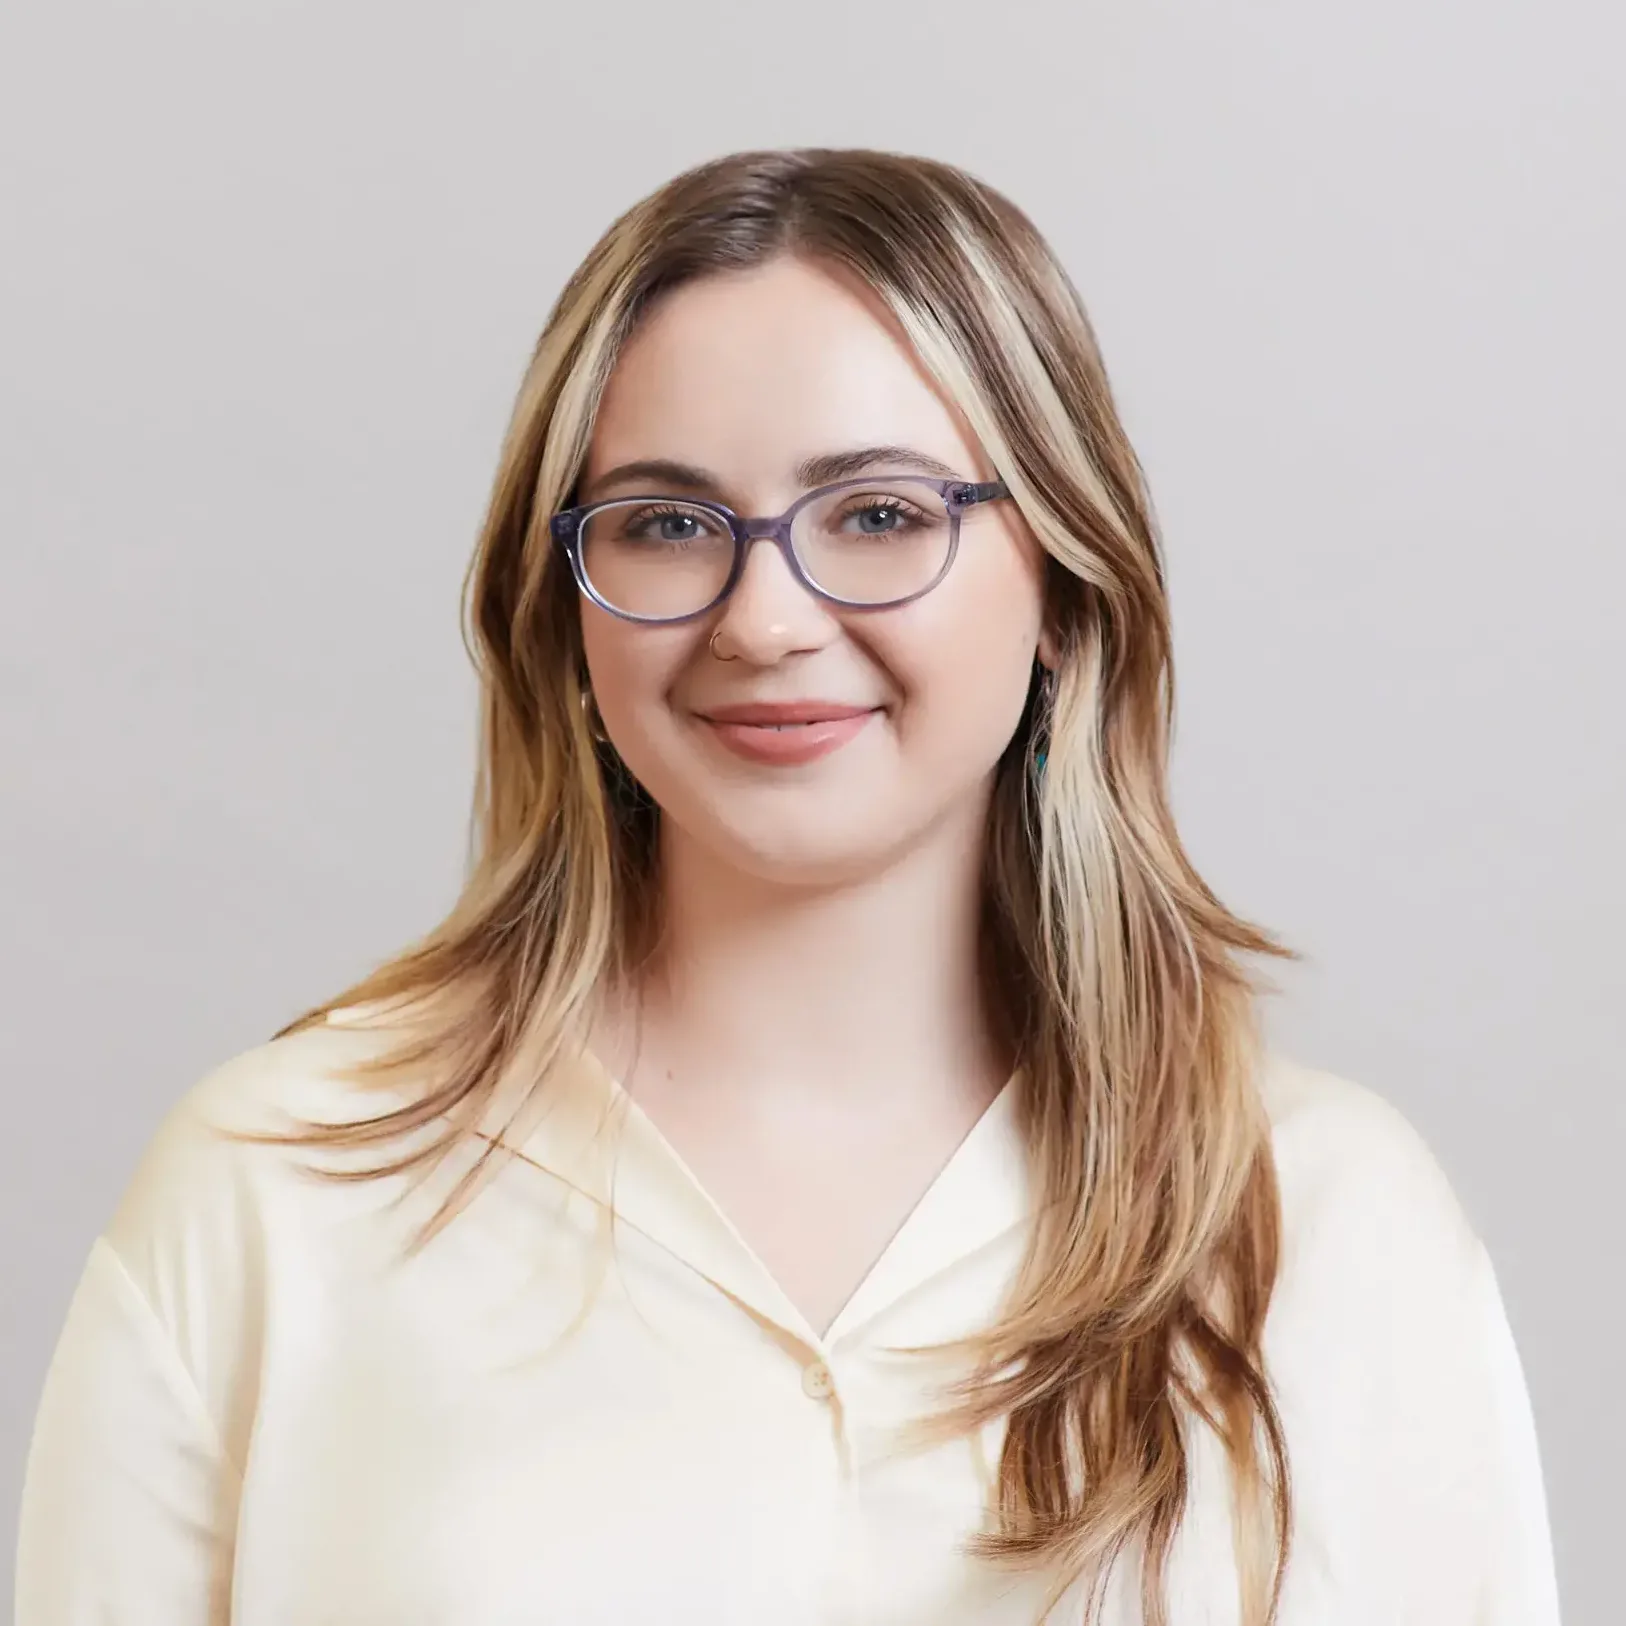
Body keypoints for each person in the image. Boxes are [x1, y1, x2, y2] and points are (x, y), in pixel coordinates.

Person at [15, 147, 1562, 1626]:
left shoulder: (1328, 1221)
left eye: (879, 513)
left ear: (1065, 589)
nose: (763, 617)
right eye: (668, 524)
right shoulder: (276, 1182)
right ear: (562, 608)